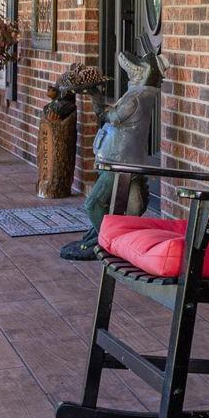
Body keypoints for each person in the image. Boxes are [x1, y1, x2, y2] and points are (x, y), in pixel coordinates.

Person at [59, 48, 162, 260]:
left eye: (137, 71)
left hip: (119, 163)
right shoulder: (136, 94)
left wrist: (95, 94)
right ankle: (104, 238)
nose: (132, 73)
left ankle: (107, 244)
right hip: (120, 160)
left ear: (144, 74)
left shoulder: (136, 98)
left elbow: (108, 116)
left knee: (94, 204)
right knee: (126, 208)